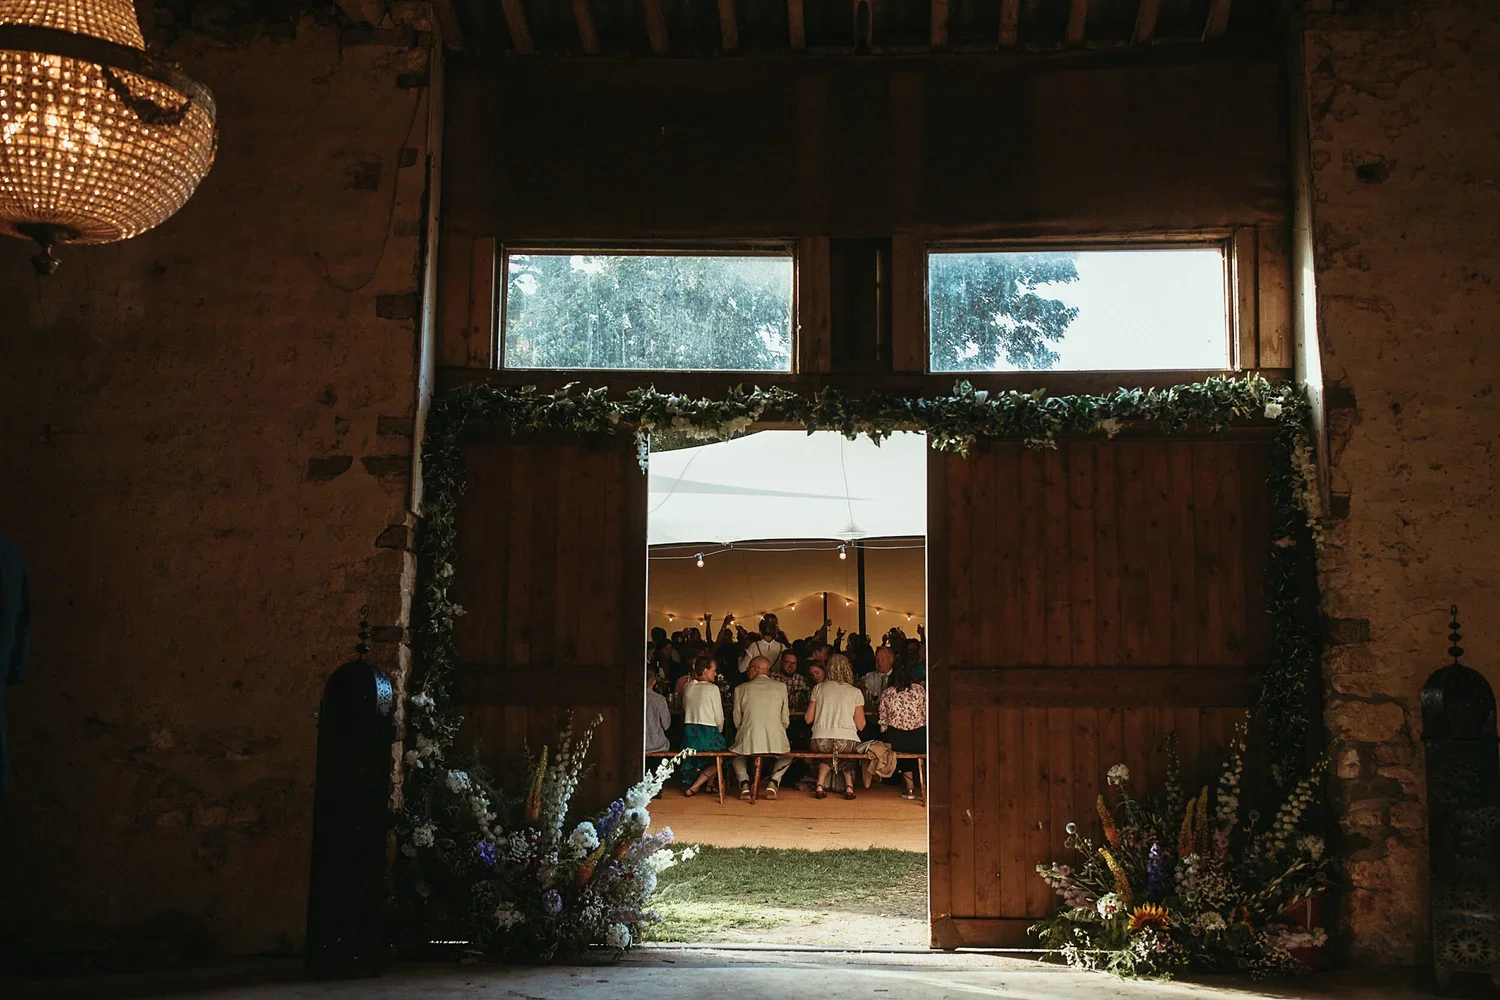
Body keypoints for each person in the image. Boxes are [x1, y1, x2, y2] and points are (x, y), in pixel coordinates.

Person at [729, 656, 794, 800]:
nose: (747, 672)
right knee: (787, 757)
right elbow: (785, 719)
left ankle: (744, 783)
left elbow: (737, 720)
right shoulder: (781, 687)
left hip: (749, 737)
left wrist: (746, 729)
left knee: (736, 757)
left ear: (756, 669)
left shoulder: (740, 689)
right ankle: (774, 782)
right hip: (775, 738)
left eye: (749, 668)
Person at [805, 653, 865, 800]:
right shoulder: (855, 692)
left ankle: (820, 784)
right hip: (847, 741)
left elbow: (808, 719)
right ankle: (849, 787)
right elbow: (861, 725)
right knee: (844, 749)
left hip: (819, 741)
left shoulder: (819, 688)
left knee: (828, 750)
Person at [878, 658, 927, 800]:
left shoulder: (887, 693)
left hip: (897, 740)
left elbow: (883, 721)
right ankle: (918, 787)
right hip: (919, 739)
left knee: (902, 744)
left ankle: (910, 789)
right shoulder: (920, 690)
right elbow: (925, 715)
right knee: (912, 743)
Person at [680, 655, 726, 796]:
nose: (716, 673)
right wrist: (719, 730)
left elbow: (684, 707)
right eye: (714, 670)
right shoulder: (712, 689)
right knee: (723, 756)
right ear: (705, 671)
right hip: (708, 732)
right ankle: (695, 787)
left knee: (710, 756)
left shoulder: (688, 686)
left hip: (690, 732)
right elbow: (719, 717)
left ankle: (710, 785)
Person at [644, 664, 671, 755]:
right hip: (658, 746)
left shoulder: (632, 698)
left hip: (638, 745)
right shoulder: (659, 699)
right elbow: (666, 725)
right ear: (654, 681)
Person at [861, 646, 895, 716]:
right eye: (877, 659)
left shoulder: (898, 676)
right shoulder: (868, 677)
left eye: (882, 659)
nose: (879, 662)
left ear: (891, 659)